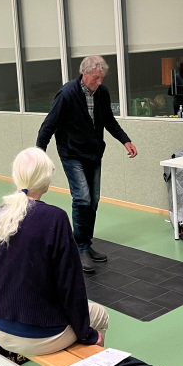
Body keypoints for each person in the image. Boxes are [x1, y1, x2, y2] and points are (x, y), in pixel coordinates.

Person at [0, 147, 109, 366]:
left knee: (51, 314)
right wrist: (88, 334)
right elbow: (71, 287)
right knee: (98, 315)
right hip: (38, 333)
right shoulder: (55, 218)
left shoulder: (0, 216)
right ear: (47, 178)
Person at [36, 55, 138, 273]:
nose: (99, 82)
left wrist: (125, 140)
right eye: (96, 78)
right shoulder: (67, 94)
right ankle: (79, 247)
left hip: (93, 154)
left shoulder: (102, 93)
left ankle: (86, 243)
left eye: (101, 78)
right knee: (82, 197)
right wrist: (39, 155)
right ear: (84, 73)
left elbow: (108, 120)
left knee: (93, 200)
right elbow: (48, 125)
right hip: (72, 154)